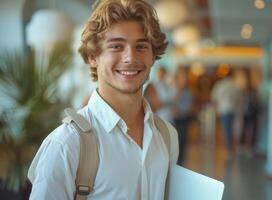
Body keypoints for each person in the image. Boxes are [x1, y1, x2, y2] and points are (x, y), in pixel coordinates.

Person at [27, 0, 179, 199]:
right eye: (116, 46)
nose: (130, 57)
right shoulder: (66, 144)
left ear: (153, 56)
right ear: (92, 57)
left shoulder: (167, 135)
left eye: (141, 46)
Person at [211, 67, 240, 154]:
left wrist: (216, 109)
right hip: (232, 110)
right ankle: (230, 146)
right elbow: (238, 99)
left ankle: (228, 147)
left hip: (223, 110)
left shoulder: (219, 85)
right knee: (230, 128)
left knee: (225, 128)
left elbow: (214, 98)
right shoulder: (234, 85)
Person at [171, 67, 193, 165]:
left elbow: (188, 106)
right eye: (182, 77)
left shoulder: (188, 91)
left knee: (182, 141)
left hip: (183, 119)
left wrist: (179, 110)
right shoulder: (172, 89)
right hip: (171, 119)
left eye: (185, 77)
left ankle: (180, 163)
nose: (184, 79)